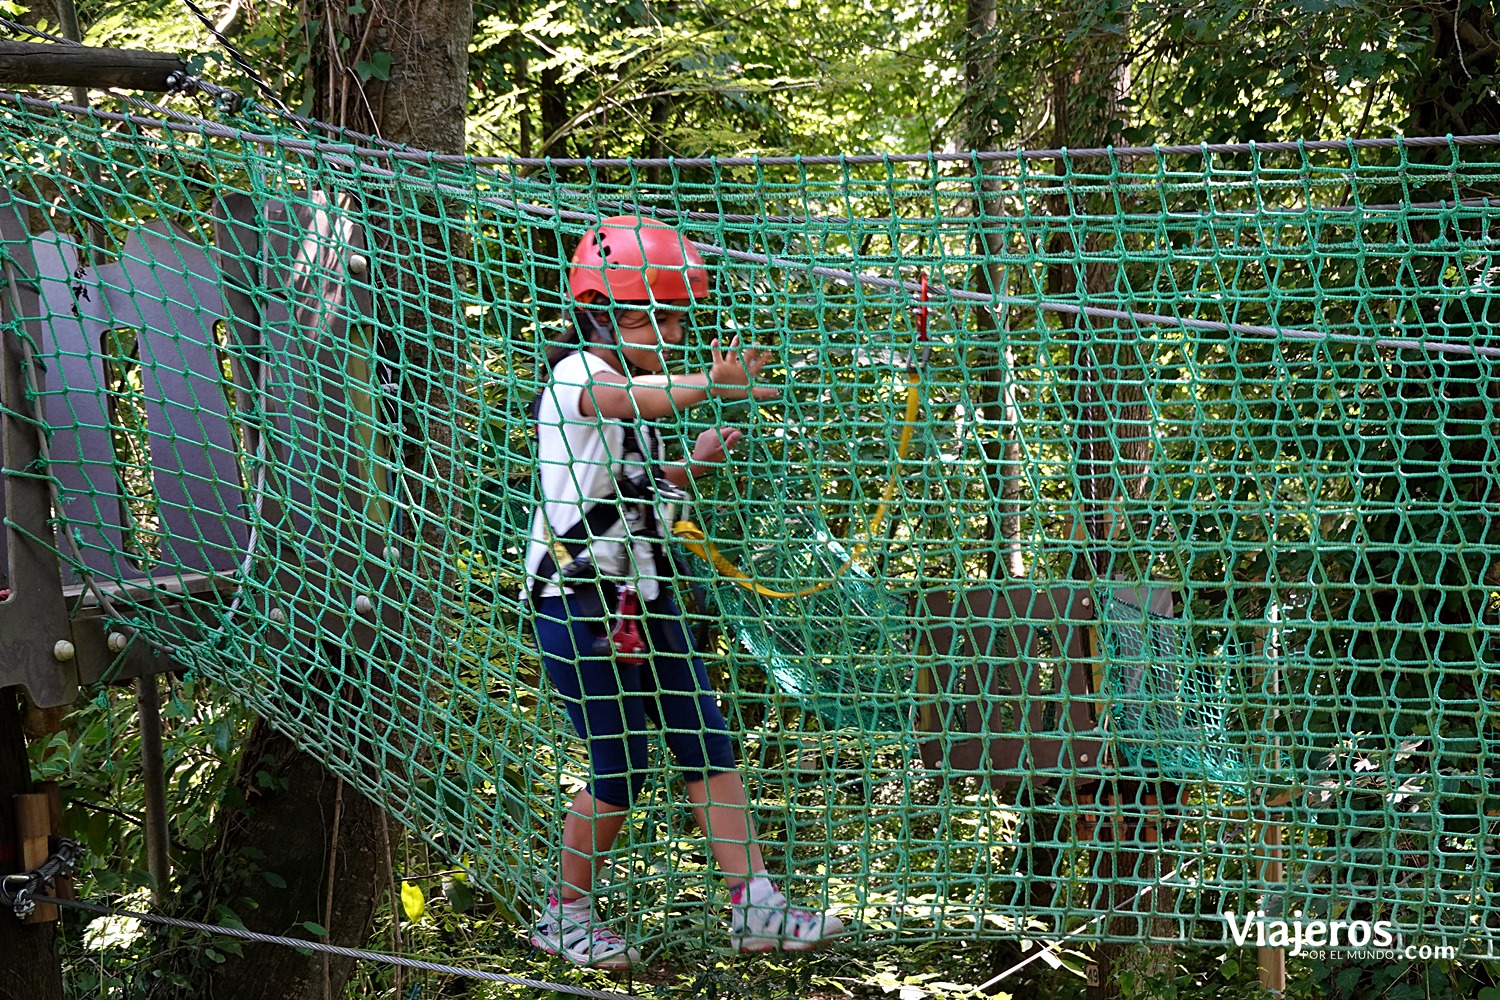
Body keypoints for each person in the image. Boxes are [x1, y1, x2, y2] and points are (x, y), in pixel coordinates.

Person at [524, 216, 845, 967]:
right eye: (645, 316)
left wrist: (693, 467)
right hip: (578, 602)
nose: (665, 331)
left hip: (643, 594)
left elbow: (636, 491)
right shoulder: (580, 376)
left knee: (707, 741)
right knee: (621, 764)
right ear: (597, 314)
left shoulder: (638, 397)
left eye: (673, 317)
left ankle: (755, 906)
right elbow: (627, 401)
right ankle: (564, 914)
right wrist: (712, 385)